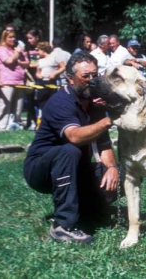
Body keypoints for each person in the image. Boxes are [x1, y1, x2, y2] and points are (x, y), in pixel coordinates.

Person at [23, 51, 119, 244]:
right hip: (41, 170)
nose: (91, 81)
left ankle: (89, 210)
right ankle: (63, 225)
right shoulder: (60, 102)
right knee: (69, 150)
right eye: (85, 76)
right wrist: (109, 120)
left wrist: (112, 169)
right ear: (70, 78)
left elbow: (104, 145)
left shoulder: (96, 106)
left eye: (95, 75)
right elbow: (74, 137)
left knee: (126, 173)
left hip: (74, 169)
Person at [0, 29, 29, 131]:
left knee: (18, 106)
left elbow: (27, 63)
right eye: (10, 37)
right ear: (4, 38)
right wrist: (17, 54)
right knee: (5, 105)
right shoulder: (1, 49)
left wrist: (18, 58)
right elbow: (8, 61)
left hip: (20, 81)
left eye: (14, 37)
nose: (13, 39)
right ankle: (2, 126)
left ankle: (16, 125)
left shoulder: (16, 49)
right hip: (7, 81)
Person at [35, 41, 65, 113]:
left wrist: (55, 73)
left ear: (43, 50)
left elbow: (63, 67)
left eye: (38, 50)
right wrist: (39, 75)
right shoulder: (40, 61)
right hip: (43, 83)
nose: (37, 52)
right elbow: (37, 72)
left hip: (53, 83)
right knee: (42, 102)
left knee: (53, 101)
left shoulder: (54, 57)